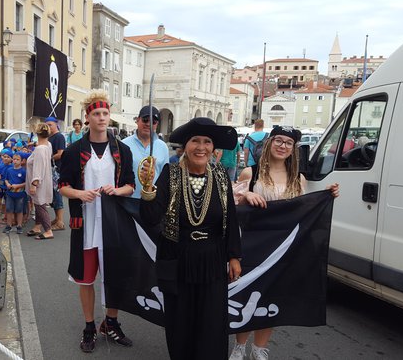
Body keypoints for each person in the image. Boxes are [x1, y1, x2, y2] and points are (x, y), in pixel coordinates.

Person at [230, 126, 340, 360]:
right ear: (269, 143)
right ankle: (240, 346)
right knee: (250, 293)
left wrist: (327, 194)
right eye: (278, 141)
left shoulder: (297, 178)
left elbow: (302, 209)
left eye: (288, 143)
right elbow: (232, 208)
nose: (282, 146)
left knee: (271, 296)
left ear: (293, 150)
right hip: (253, 245)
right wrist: (245, 195)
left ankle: (260, 349)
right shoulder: (250, 173)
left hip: (282, 248)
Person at [138, 117, 242, 360]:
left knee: (212, 322)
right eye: (195, 141)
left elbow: (232, 219)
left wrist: (234, 256)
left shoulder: (221, 177)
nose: (201, 147)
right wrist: (148, 187)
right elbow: (151, 217)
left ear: (213, 148)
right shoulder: (170, 173)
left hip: (213, 260)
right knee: (180, 322)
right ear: (185, 145)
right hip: (178, 258)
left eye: (207, 142)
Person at [59, 90, 135, 353]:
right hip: (85, 223)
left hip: (113, 225)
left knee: (113, 277)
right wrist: (80, 193)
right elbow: (63, 186)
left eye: (105, 113)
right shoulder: (73, 151)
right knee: (86, 279)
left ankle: (110, 322)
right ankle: (90, 325)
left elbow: (130, 185)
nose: (101, 118)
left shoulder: (121, 150)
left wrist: (118, 190)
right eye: (96, 114)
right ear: (87, 117)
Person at [122, 105, 170, 199]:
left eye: (153, 121)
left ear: (157, 124)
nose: (148, 124)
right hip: (128, 200)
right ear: (137, 120)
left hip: (153, 200)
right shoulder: (124, 144)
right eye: (145, 120)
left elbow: (165, 177)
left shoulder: (163, 147)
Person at [25, 123, 54, 240]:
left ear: (37, 134)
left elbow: (38, 167)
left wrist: (34, 184)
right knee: (38, 204)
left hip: (39, 182)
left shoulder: (39, 149)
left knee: (40, 205)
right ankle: (37, 226)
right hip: (45, 179)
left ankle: (48, 230)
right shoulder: (48, 145)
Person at [46, 116, 66, 230]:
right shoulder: (50, 137)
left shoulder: (59, 137)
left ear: (56, 125)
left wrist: (47, 158)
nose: (49, 127)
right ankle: (57, 218)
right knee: (53, 195)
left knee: (57, 194)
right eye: (47, 125)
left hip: (56, 170)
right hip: (51, 169)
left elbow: (60, 153)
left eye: (50, 125)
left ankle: (60, 222)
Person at [3, 153, 27, 234]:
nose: (15, 161)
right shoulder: (9, 170)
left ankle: (19, 225)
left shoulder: (23, 171)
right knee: (9, 209)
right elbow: (6, 179)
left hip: (20, 194)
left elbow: (26, 183)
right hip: (10, 193)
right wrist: (7, 184)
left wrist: (18, 185)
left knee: (19, 210)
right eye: (14, 159)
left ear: (21, 161)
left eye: (17, 159)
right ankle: (9, 225)